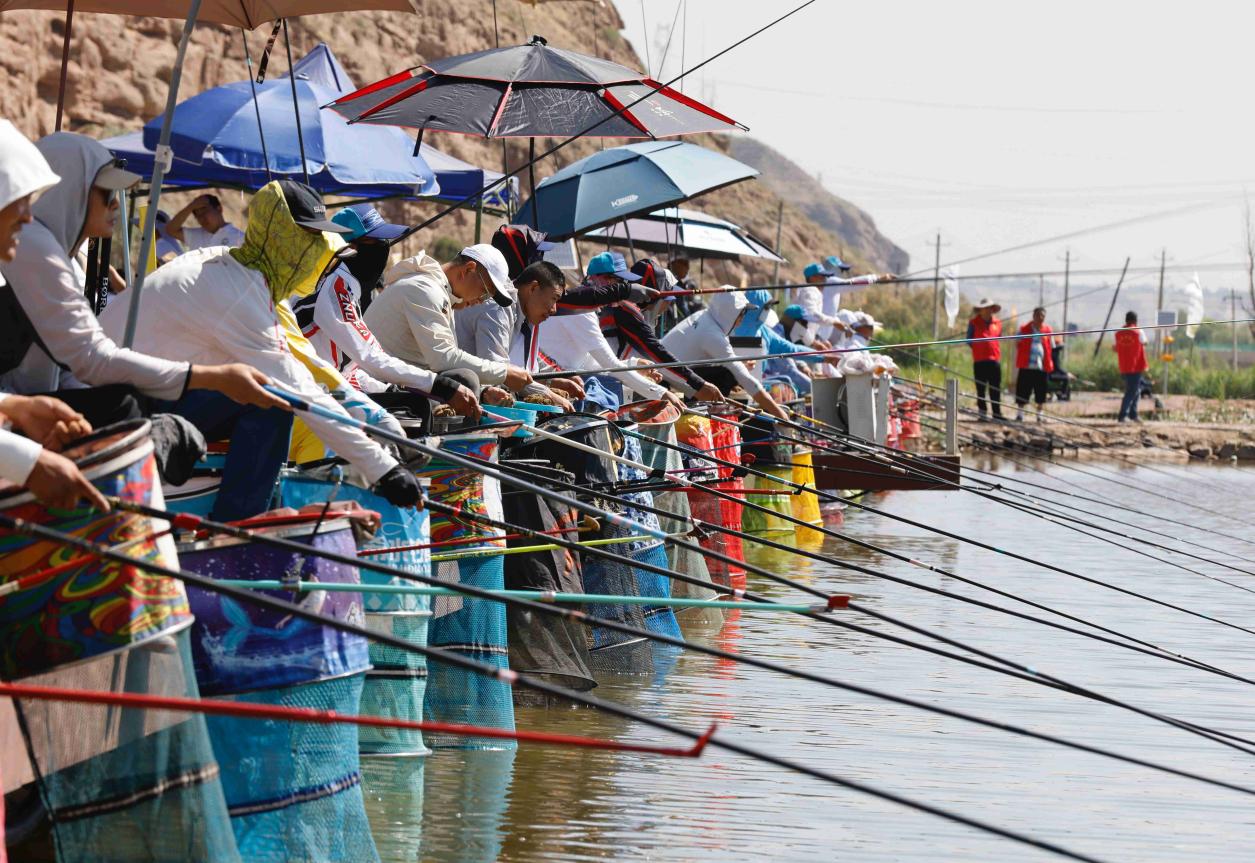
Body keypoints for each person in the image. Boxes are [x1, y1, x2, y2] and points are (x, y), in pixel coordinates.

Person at [101, 179, 423, 518]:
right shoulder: (238, 294)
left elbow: (304, 375)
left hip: (142, 388)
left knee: (262, 391)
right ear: (279, 237)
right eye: (309, 237)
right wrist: (387, 471)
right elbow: (300, 390)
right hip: (119, 405)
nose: (314, 252)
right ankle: (237, 527)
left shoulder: (232, 268)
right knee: (275, 400)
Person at [0, 132, 285, 431]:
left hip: (29, 401)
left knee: (128, 403)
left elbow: (72, 367)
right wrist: (210, 376)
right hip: (15, 407)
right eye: (107, 193)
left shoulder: (57, 252)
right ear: (72, 191)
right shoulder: (34, 245)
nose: (115, 205)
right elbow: (92, 358)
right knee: (128, 407)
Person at [290, 204, 480, 423]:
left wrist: (390, 389)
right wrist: (439, 385)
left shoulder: (346, 286)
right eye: (377, 242)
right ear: (349, 247)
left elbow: (350, 369)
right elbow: (371, 357)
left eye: (386, 242)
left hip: (330, 390)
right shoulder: (335, 286)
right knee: (394, 427)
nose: (385, 248)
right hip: (310, 399)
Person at [365, 243, 534, 401]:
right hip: (374, 387)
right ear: (468, 270)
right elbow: (443, 359)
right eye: (485, 292)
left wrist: (483, 392)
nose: (482, 301)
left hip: (394, 383)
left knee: (465, 385)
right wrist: (503, 373)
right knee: (466, 379)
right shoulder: (425, 290)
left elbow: (440, 365)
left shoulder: (439, 292)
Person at [538, 252, 684, 411]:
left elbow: (592, 364)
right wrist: (662, 393)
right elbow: (610, 365)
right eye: (618, 282)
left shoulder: (588, 311)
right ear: (601, 281)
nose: (621, 289)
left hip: (569, 376)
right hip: (556, 381)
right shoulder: (582, 314)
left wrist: (633, 364)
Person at [661, 288, 789, 420]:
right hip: (660, 379)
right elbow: (745, 378)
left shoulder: (705, 316)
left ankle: (709, 413)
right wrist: (780, 414)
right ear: (730, 313)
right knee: (729, 374)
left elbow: (719, 358)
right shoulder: (712, 334)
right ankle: (708, 418)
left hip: (667, 372)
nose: (743, 317)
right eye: (742, 312)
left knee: (729, 373)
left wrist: (740, 367)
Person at [1014, 306, 1054, 422]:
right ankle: (1020, 414)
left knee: (1041, 391)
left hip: (1041, 366)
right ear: (1033, 316)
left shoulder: (1047, 330)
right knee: (1023, 390)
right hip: (1027, 365)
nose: (1040, 318)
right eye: (1038, 315)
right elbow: (1017, 343)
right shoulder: (1024, 329)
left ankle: (1039, 415)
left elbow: (1051, 347)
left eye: (1042, 316)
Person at [966, 298, 1004, 422]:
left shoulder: (997, 323)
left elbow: (999, 337)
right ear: (980, 310)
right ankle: (982, 413)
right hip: (979, 361)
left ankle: (997, 413)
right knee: (981, 388)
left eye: (990, 308)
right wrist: (979, 347)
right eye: (985, 308)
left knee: (995, 388)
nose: (988, 310)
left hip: (994, 360)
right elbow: (969, 340)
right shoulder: (973, 323)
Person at [165, 193, 245, 250]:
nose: (202, 217)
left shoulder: (240, 238)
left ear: (219, 209)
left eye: (205, 212)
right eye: (198, 215)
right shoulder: (195, 235)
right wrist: (191, 207)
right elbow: (171, 230)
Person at [1113, 310, 1149, 423]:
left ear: (1126, 320)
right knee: (1131, 391)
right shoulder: (1138, 332)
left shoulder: (1119, 333)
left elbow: (1115, 348)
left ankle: (1133, 415)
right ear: (1135, 321)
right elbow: (1145, 342)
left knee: (1136, 390)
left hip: (1124, 367)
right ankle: (1123, 415)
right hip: (1135, 366)